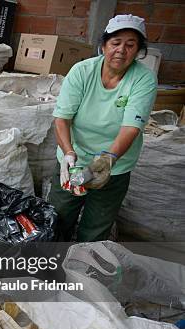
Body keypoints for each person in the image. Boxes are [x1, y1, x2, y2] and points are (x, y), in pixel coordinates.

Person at [48, 14, 157, 242]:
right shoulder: (82, 71)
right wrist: (68, 153)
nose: (121, 50)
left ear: (138, 51)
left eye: (130, 45)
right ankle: (49, 268)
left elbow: (131, 127)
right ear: (103, 45)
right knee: (58, 220)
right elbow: (62, 118)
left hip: (114, 166)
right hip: (73, 163)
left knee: (96, 228)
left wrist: (109, 159)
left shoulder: (143, 79)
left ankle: (82, 271)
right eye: (115, 43)